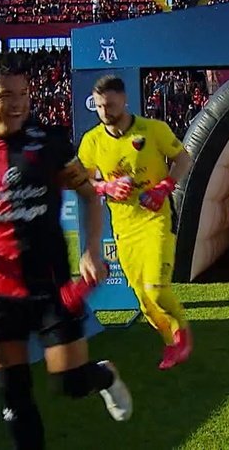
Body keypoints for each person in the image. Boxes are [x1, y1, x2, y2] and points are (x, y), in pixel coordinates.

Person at [0, 53, 132, 450]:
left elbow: (89, 197)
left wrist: (90, 250)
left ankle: (102, 375)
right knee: (14, 395)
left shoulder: (50, 143)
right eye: (5, 95)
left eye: (24, 94)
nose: (17, 104)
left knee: (69, 382)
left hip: (50, 281)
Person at [78, 75, 194, 371]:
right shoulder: (92, 141)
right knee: (144, 301)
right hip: (124, 228)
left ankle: (182, 330)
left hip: (156, 218)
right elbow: (83, 179)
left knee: (156, 289)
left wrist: (164, 187)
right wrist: (106, 187)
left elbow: (183, 159)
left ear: (125, 101)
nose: (106, 112)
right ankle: (169, 344)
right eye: (101, 106)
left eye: (111, 105)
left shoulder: (153, 130)